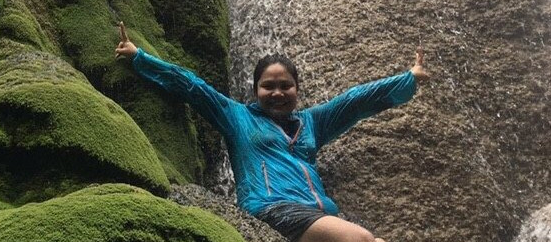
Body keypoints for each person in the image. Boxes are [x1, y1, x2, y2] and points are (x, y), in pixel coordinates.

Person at [115, 22, 430, 242]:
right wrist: (140, 57)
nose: (277, 93)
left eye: (285, 86)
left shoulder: (312, 122)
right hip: (270, 209)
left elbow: (355, 101)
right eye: (268, 86)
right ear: (255, 90)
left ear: (296, 89)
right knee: (360, 239)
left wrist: (409, 78)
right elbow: (192, 87)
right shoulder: (236, 116)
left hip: (318, 215)